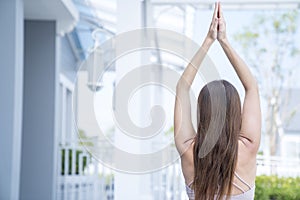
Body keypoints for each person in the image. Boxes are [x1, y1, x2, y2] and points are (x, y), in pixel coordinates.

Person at [174, 2, 261, 200]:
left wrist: (208, 40)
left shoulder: (189, 150)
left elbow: (182, 88)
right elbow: (252, 87)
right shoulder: (248, 147)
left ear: (202, 113)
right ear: (236, 113)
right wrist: (224, 41)